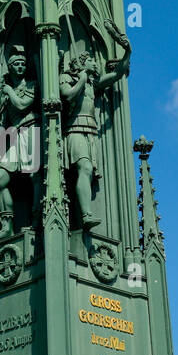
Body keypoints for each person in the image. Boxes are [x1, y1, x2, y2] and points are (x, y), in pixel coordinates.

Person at [59, 35, 129, 230]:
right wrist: (81, 78)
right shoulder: (68, 78)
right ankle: (86, 214)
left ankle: (85, 213)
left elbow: (117, 74)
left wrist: (127, 51)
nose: (95, 63)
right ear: (82, 63)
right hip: (73, 129)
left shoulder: (92, 84)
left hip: (90, 130)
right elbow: (67, 95)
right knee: (85, 169)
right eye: (91, 60)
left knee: (88, 172)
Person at [0, 44, 39, 238]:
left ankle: (36, 222)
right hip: (16, 134)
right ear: (9, 67)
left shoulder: (32, 85)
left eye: (22, 64)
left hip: (32, 129)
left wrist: (8, 91)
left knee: (35, 176)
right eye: (16, 64)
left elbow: (22, 104)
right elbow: (3, 123)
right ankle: (6, 225)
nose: (19, 67)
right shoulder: (5, 93)